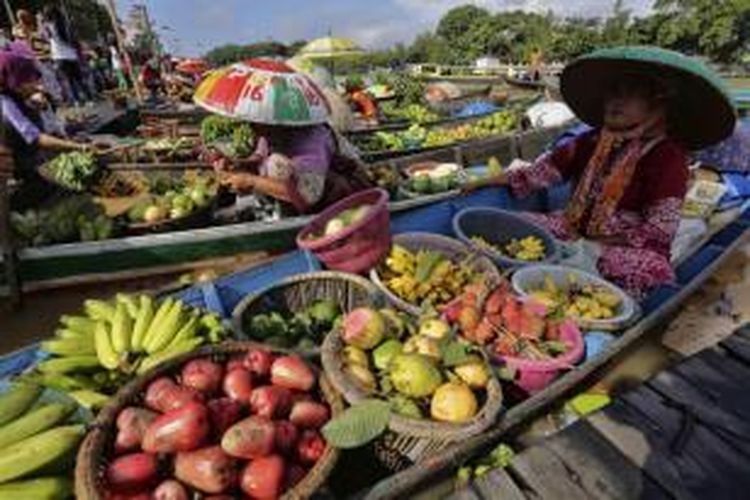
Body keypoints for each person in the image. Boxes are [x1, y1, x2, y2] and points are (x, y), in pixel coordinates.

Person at [465, 47, 736, 297]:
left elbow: (657, 232)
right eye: (612, 92)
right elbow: (541, 172)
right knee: (510, 226)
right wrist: (486, 180)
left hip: (624, 248)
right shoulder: (591, 141)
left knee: (649, 272)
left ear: (658, 105)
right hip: (571, 227)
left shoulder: (668, 157)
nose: (613, 101)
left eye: (628, 93)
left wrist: (592, 242)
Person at [0, 52, 94, 208]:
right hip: (16, 174)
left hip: (30, 163)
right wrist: (79, 147)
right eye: (29, 80)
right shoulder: (5, 104)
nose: (36, 85)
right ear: (14, 81)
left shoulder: (16, 97)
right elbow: (36, 138)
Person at [41, 5, 88, 105]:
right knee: (79, 78)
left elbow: (46, 38)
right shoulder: (64, 23)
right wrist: (75, 47)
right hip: (71, 54)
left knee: (69, 80)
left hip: (58, 56)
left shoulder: (46, 26)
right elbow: (71, 38)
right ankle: (89, 98)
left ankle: (77, 101)